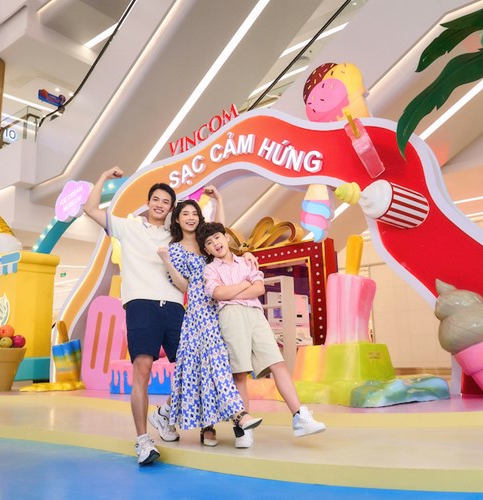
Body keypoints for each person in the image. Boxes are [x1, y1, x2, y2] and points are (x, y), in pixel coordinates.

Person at [84, 166, 183, 466]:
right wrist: (103, 176)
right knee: (142, 369)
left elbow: (209, 236)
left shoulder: (175, 235)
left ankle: (164, 414)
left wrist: (216, 202)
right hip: (140, 304)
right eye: (156, 199)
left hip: (174, 305)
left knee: (188, 368)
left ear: (171, 208)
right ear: (148, 202)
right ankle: (143, 440)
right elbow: (90, 209)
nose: (160, 205)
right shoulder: (129, 227)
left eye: (166, 202)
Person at [197, 222, 327, 447]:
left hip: (256, 315)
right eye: (209, 242)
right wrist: (243, 284)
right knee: (240, 374)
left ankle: (300, 417)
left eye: (217, 237)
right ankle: (243, 429)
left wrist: (232, 291)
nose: (215, 243)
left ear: (226, 237)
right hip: (230, 316)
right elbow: (218, 293)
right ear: (206, 249)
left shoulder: (247, 261)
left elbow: (259, 288)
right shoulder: (210, 269)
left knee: (278, 363)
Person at [158, 189, 262, 448]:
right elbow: (182, 285)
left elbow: (221, 232)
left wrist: (219, 200)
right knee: (211, 360)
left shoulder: (207, 241)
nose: (191, 217)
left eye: (194, 213)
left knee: (213, 364)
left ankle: (206, 424)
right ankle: (222, 422)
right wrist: (167, 261)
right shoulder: (176, 249)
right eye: (185, 214)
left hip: (223, 305)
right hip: (199, 308)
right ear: (177, 219)